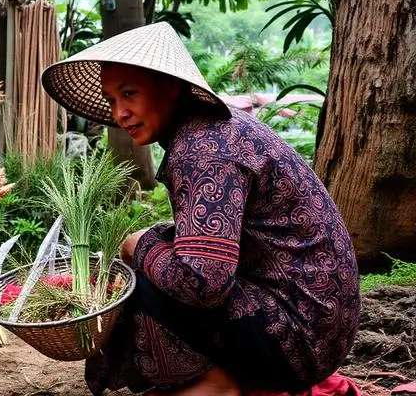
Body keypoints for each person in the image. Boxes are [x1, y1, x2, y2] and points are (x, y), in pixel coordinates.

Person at [41, 22, 361, 395]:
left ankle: (216, 384)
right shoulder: (208, 130)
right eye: (112, 100)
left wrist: (138, 245)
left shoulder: (202, 150)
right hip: (319, 322)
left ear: (171, 86)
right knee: (156, 254)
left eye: (129, 93)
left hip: (303, 336)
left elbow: (203, 285)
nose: (120, 113)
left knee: (143, 281)